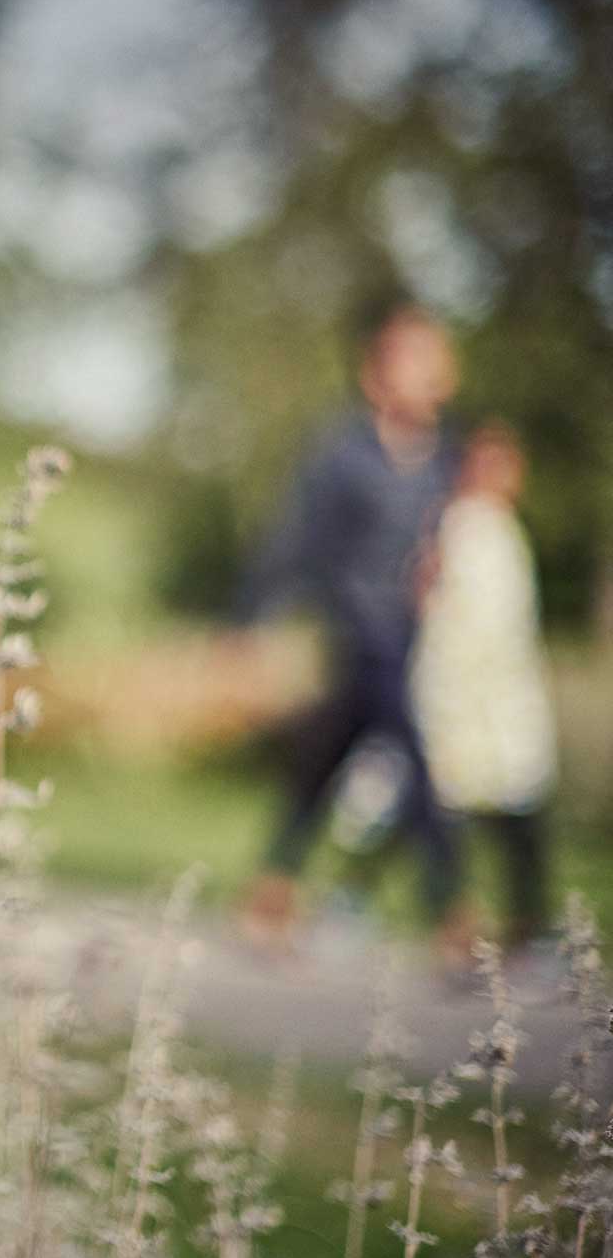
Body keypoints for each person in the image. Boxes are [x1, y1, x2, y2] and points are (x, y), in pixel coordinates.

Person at [233, 293, 465, 958]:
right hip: (360, 628)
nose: (424, 370)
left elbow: (448, 533)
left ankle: (274, 884)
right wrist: (251, 617)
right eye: (408, 357)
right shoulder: (343, 452)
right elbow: (296, 539)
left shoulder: (446, 455)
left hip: (410, 630)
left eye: (432, 357)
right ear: (375, 371)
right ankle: (450, 909)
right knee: (417, 760)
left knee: (325, 759)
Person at [411, 421, 558, 949]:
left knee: (515, 817)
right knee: (459, 813)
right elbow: (454, 620)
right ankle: (462, 923)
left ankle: (522, 926)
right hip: (468, 698)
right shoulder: (464, 527)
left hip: (504, 701)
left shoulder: (500, 527)